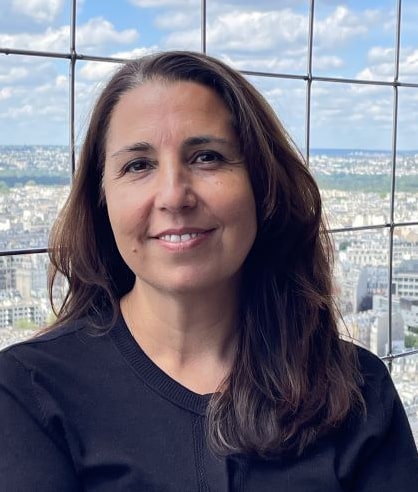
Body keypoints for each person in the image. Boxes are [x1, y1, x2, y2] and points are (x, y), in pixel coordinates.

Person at [0, 51, 416, 491]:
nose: (173, 196)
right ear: (101, 200)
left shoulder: (356, 390)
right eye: (138, 165)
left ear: (262, 186)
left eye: (207, 157)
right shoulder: (29, 393)